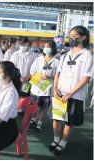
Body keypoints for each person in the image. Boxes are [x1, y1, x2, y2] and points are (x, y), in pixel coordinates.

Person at [49, 26, 93, 155]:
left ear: (83, 37)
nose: (71, 38)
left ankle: (63, 143)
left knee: (69, 122)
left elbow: (86, 78)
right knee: (56, 118)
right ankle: (56, 140)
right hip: (60, 92)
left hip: (75, 95)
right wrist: (55, 88)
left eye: (75, 35)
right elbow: (58, 73)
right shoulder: (65, 54)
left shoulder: (87, 55)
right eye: (71, 35)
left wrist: (70, 93)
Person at [29, 40, 60, 132]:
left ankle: (39, 123)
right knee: (34, 105)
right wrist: (37, 76)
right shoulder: (39, 59)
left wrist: (48, 76)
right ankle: (33, 120)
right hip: (36, 87)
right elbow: (32, 71)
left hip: (47, 88)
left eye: (49, 47)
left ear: (53, 48)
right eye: (45, 46)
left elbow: (58, 75)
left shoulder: (57, 61)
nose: (46, 48)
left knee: (43, 107)